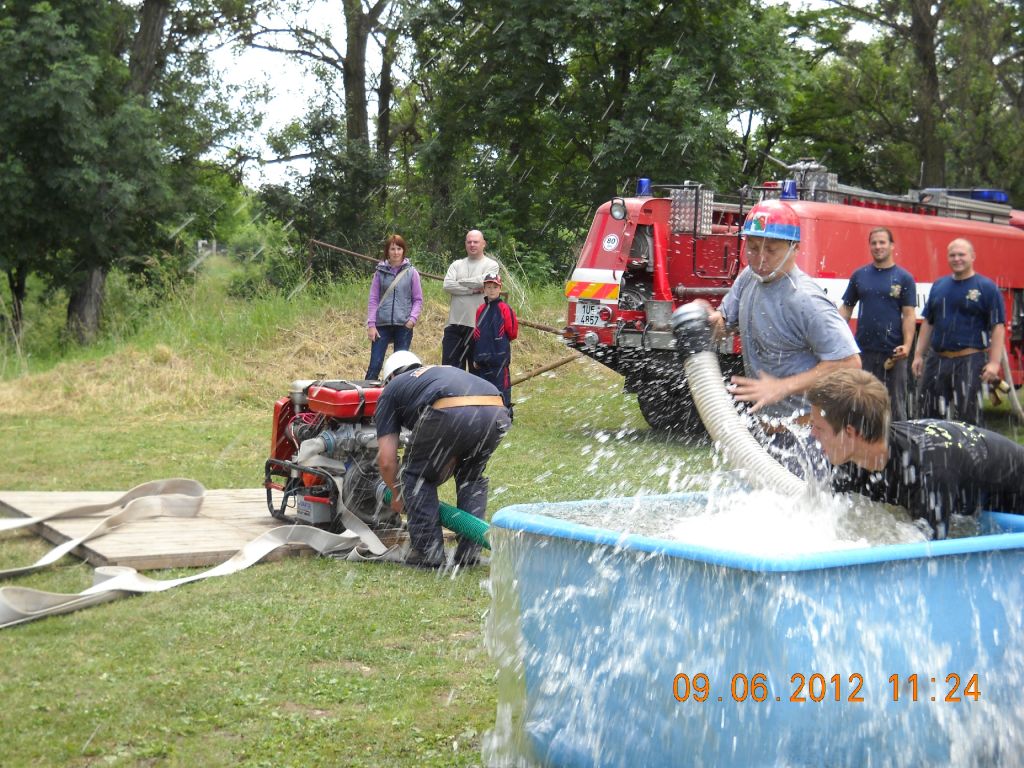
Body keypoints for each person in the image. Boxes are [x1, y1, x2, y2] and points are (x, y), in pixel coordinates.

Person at [808, 368, 1024, 539]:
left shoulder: (927, 473)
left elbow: (928, 560)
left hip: (1014, 491)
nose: (812, 434)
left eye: (819, 428)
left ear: (850, 433)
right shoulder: (846, 459)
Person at [708, 199, 861, 425]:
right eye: (752, 247)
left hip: (810, 432)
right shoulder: (748, 278)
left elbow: (850, 364)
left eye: (770, 249)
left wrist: (782, 387)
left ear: (794, 248)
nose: (760, 258)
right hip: (767, 425)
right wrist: (707, 319)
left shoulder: (806, 299)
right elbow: (723, 326)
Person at [374, 351, 511, 569]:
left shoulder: (392, 389)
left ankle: (428, 553)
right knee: (471, 477)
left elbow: (387, 461)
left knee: (416, 475)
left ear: (389, 377)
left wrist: (398, 493)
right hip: (496, 410)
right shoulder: (436, 372)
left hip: (450, 409)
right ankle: (470, 552)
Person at [911, 238, 1006, 426]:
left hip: (969, 361)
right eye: (952, 255)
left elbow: (997, 327)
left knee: (968, 417)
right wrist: (918, 355)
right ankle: (931, 453)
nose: (957, 259)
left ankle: (969, 454)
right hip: (937, 360)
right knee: (927, 415)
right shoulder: (939, 286)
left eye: (961, 254)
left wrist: (994, 363)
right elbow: (928, 322)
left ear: (972, 256)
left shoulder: (986, 288)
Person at [839, 228, 917, 420]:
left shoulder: (904, 278)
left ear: (892, 246)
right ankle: (864, 446)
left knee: (895, 406)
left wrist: (907, 345)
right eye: (874, 243)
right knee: (863, 403)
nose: (878, 246)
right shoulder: (859, 275)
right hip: (864, 351)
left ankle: (897, 448)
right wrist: (834, 336)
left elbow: (908, 315)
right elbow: (846, 308)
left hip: (894, 355)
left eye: (882, 242)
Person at [365, 234, 423, 381]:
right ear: (387, 251)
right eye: (392, 249)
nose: (396, 252)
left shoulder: (411, 272)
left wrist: (412, 319)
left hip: (403, 325)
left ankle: (399, 397)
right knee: (375, 364)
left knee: (401, 367)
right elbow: (373, 299)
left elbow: (417, 299)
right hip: (381, 325)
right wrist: (371, 324)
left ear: (403, 251)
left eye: (399, 248)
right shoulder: (380, 272)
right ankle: (366, 397)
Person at [442, 229, 500, 370]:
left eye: (476, 242)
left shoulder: (492, 265)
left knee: (478, 371)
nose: (472, 245)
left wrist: (460, 282)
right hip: (455, 325)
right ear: (465, 244)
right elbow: (447, 285)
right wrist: (472, 290)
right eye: (469, 242)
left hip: (479, 326)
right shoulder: (456, 264)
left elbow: (484, 281)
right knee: (451, 371)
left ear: (483, 244)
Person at [472, 272, 518, 415]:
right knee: (483, 388)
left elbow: (512, 332)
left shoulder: (504, 308)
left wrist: (499, 345)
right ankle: (485, 415)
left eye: (494, 287)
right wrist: (477, 356)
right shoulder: (480, 309)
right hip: (482, 358)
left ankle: (504, 414)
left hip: (499, 359)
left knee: (501, 388)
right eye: (488, 287)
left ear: (500, 288)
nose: (491, 290)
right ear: (484, 289)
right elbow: (476, 334)